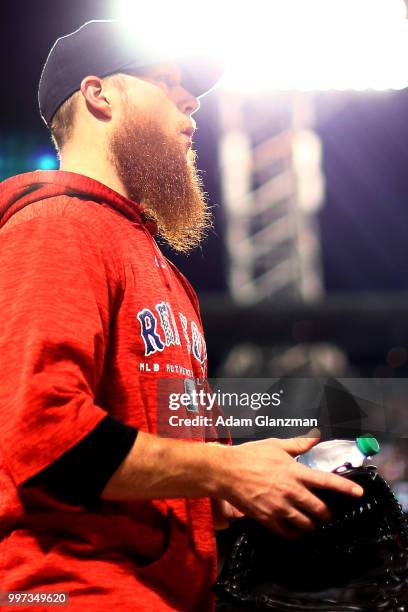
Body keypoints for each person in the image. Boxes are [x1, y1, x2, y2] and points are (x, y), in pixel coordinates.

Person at [0, 19, 364, 612]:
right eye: (167, 82)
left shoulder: (162, 270)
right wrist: (227, 470)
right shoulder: (56, 225)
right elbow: (41, 439)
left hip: (167, 592)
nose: (191, 101)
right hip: (70, 589)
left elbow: (177, 474)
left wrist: (259, 482)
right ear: (100, 95)